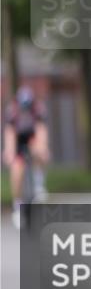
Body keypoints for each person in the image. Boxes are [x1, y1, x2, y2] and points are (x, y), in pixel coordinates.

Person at [3, 86, 51, 227]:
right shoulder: (12, 111)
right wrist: (9, 152)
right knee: (16, 170)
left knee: (39, 151)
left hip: (31, 137)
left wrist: (43, 148)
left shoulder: (38, 109)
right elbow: (9, 133)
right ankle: (17, 205)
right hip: (18, 140)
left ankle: (38, 184)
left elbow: (41, 129)